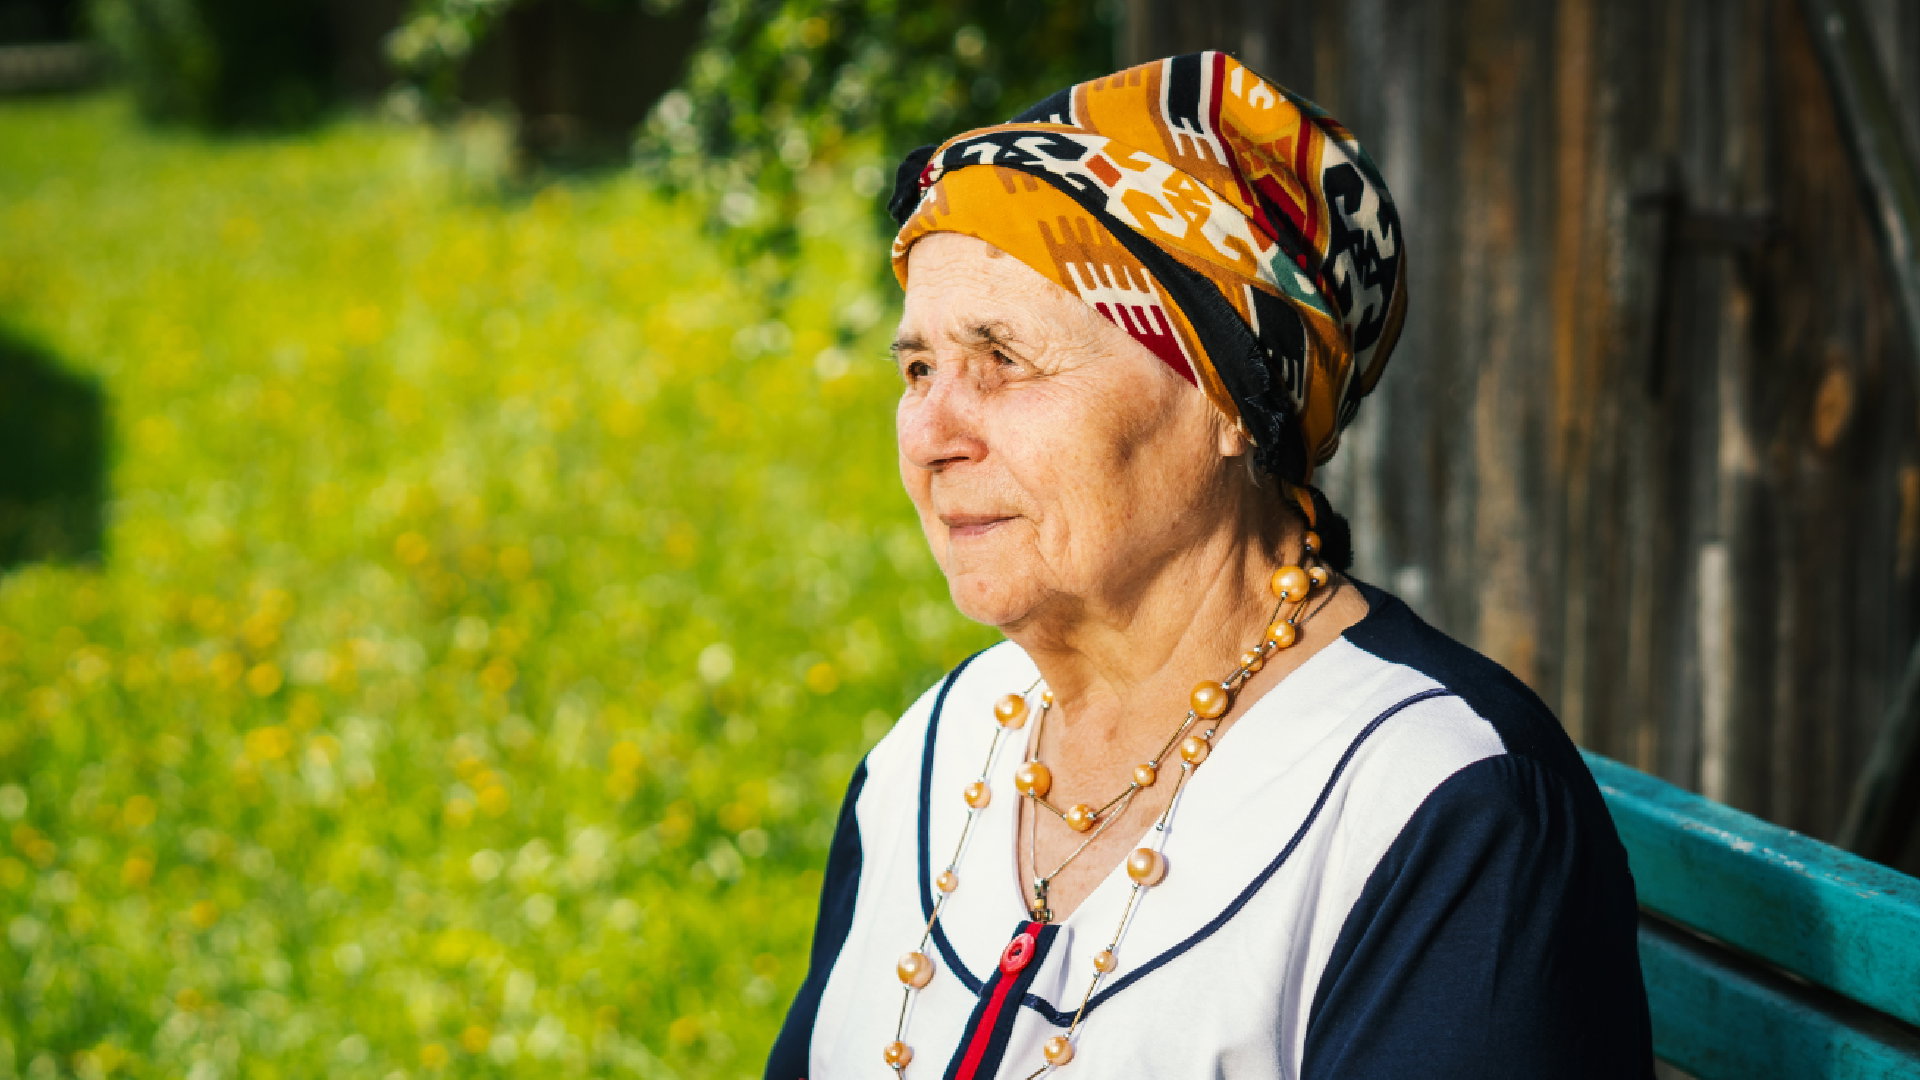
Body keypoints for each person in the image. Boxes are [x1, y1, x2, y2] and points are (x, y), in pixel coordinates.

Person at [766, 51, 1653, 1079]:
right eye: (919, 367)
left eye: (1002, 359)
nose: (932, 431)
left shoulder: (1440, 808)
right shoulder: (932, 751)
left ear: (1230, 398)